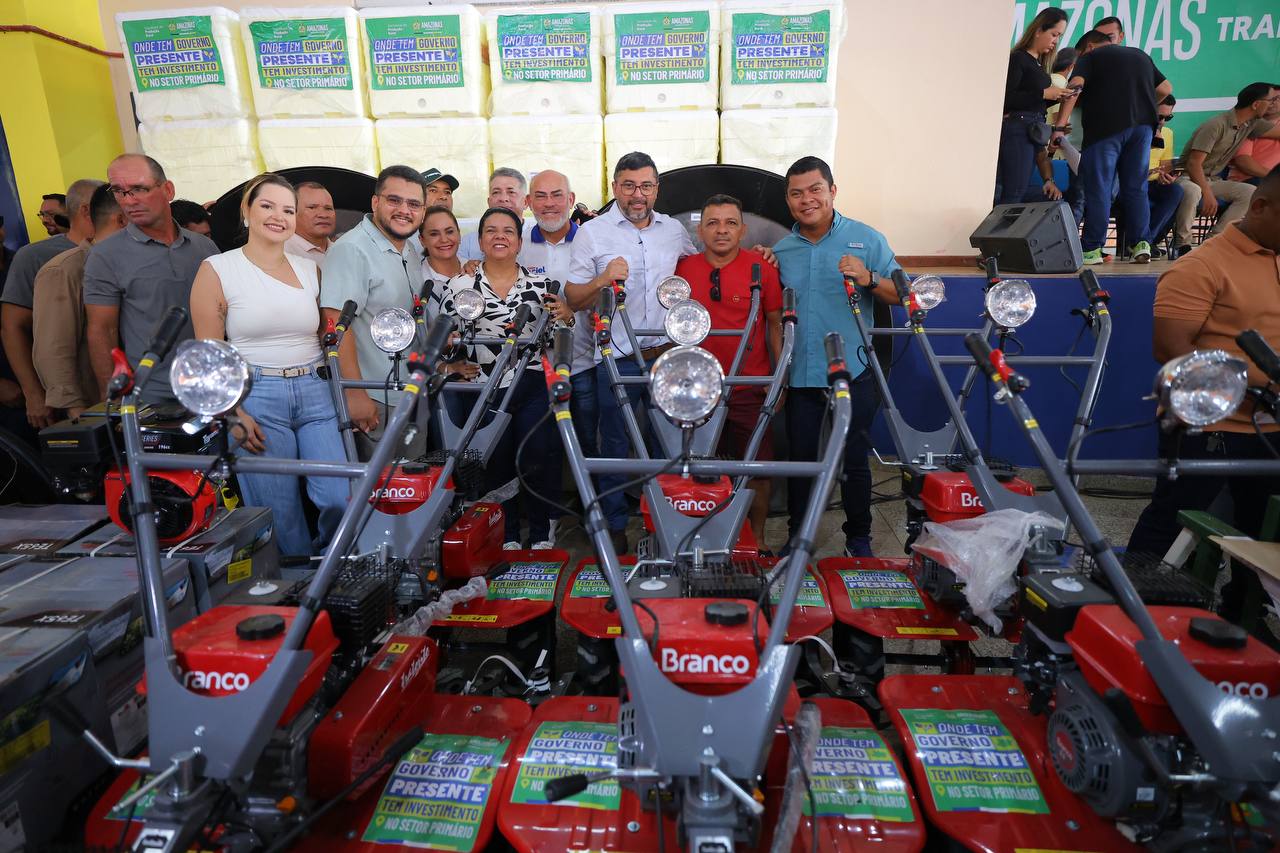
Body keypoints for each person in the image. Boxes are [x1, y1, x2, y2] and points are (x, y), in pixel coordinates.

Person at [1127, 163, 1280, 624]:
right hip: (1209, 426)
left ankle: (1244, 618)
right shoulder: (1201, 266)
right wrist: (1260, 382)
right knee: (1173, 520)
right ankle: (1131, 616)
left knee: (1263, 535)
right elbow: (1171, 349)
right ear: (1261, 206)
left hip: (1271, 429)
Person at [188, 173, 346, 557]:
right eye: (267, 206)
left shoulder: (311, 269)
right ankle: (296, 580)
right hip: (256, 395)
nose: (279, 216)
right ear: (247, 210)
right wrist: (233, 413)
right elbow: (210, 356)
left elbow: (328, 336)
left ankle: (332, 566)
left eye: (288, 210)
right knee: (279, 510)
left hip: (316, 389)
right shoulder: (217, 269)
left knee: (339, 495)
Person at [565, 152, 695, 553]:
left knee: (665, 443)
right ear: (615, 188)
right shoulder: (592, 233)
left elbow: (703, 266)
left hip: (666, 355)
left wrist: (759, 253)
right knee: (615, 444)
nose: (637, 195)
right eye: (629, 185)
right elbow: (573, 298)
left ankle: (660, 526)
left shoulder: (673, 230)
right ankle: (614, 526)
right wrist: (603, 279)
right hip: (615, 356)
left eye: (646, 186)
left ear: (656, 189)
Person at [774, 156, 902, 558]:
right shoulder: (782, 250)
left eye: (815, 189)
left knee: (854, 461)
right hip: (801, 374)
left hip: (854, 371)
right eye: (796, 194)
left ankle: (858, 540)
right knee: (801, 462)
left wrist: (869, 278)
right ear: (789, 200)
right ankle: (799, 538)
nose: (806, 200)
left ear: (832, 191)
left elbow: (905, 294)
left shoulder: (867, 239)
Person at [439, 207, 574, 549]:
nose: (500, 236)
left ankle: (542, 533)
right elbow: (442, 339)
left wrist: (568, 315)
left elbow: (561, 334)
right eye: (491, 230)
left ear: (519, 242)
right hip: (483, 386)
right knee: (495, 461)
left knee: (536, 455)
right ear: (480, 240)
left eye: (508, 231)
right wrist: (452, 365)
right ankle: (507, 533)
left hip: (531, 383)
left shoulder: (541, 285)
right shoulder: (459, 285)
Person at [675, 194, 783, 547]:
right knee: (698, 469)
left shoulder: (762, 267)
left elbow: (775, 324)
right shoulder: (683, 270)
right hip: (697, 392)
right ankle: (703, 539)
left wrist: (779, 380)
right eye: (713, 223)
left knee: (757, 469)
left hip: (750, 388)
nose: (721, 230)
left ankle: (758, 540)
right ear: (700, 231)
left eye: (730, 223)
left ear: (743, 230)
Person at [84, 155, 218, 404]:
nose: (129, 200)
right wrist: (112, 396)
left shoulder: (204, 247)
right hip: (153, 396)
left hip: (214, 386)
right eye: (119, 191)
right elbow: (101, 329)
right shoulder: (105, 255)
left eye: (139, 189)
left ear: (168, 190)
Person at [319, 164, 426, 456]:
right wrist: (354, 393)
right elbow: (334, 323)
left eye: (414, 204)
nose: (404, 210)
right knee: (380, 483)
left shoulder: (408, 247)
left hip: (407, 390)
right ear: (375, 202)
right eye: (394, 200)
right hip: (374, 396)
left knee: (413, 478)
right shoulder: (352, 249)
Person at [1052, 30, 1171, 264]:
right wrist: (1143, 104)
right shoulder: (1141, 56)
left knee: (1100, 188)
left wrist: (1059, 127)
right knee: (1136, 188)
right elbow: (1166, 89)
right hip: (1142, 129)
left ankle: (1092, 248)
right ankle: (1141, 243)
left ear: (1088, 47)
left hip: (1105, 130)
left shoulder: (1090, 57)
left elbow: (1075, 87)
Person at [1, 179, 96, 426]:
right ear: (85, 210)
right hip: (63, 396)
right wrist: (33, 393)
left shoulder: (112, 252)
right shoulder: (33, 256)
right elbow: (12, 327)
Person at [517, 170, 597, 466]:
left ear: (571, 199)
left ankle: (592, 496)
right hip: (534, 369)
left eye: (556, 195)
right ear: (528, 202)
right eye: (540, 196)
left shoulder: (592, 241)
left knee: (588, 446)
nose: (549, 203)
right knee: (540, 450)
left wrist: (576, 310)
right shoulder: (518, 244)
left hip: (582, 363)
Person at [32, 184, 125, 419]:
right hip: (92, 404)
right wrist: (75, 410)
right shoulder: (65, 269)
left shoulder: (127, 261)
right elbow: (54, 347)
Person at [1172, 82, 1280, 257]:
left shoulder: (1251, 124)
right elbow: (1193, 164)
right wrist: (1207, 193)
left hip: (1213, 180)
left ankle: (1213, 242)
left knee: (1250, 192)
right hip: (1187, 177)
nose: (1272, 104)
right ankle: (1182, 244)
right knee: (1193, 191)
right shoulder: (1216, 125)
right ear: (1256, 104)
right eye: (1270, 100)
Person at [996, 8, 1071, 205]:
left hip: (1032, 129)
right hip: (1018, 129)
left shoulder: (1037, 63)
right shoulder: (1019, 58)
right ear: (1038, 30)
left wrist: (1056, 97)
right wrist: (1044, 94)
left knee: (1018, 191)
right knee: (1014, 192)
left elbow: (1030, 101)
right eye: (1054, 34)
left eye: (1059, 36)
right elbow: (1006, 99)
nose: (1056, 41)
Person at [459, 168, 527, 261]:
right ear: (488, 202)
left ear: (525, 202)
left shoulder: (537, 238)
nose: (503, 198)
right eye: (496, 192)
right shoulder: (468, 243)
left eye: (511, 192)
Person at [1228, 83, 1280, 185]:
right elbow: (1243, 162)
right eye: (1270, 99)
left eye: (1277, 98)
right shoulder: (1246, 123)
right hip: (1251, 179)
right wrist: (1274, 177)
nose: (1272, 102)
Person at [420, 204, 464, 311]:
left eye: (449, 232)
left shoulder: (476, 271)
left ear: (459, 234)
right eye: (434, 234)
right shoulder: (415, 280)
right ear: (422, 240)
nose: (444, 239)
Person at [284, 181, 336, 261]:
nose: (323, 215)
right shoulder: (279, 252)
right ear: (291, 212)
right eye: (312, 208)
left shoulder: (343, 250)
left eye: (328, 208)